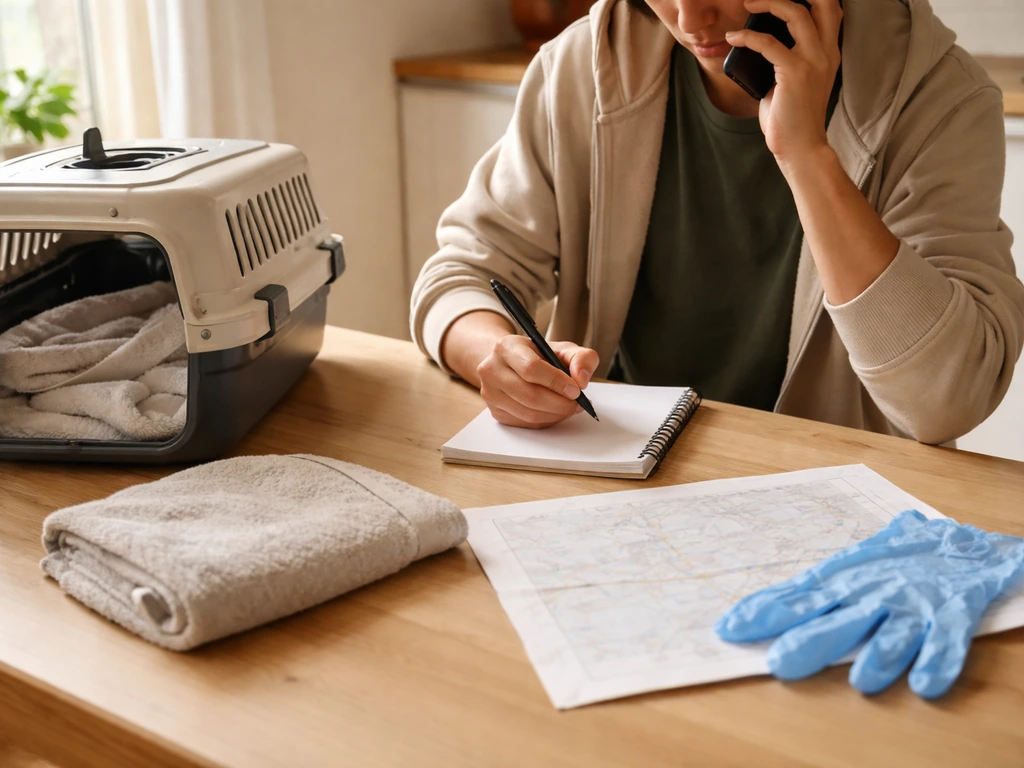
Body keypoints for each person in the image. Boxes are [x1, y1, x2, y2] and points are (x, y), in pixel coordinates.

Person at [410, 0, 1024, 444]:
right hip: (614, 471)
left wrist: (807, 155)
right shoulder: (583, 64)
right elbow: (463, 273)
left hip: (827, 504)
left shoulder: (939, 97)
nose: (689, 19)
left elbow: (948, 400)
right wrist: (496, 357)